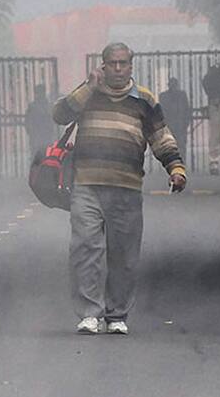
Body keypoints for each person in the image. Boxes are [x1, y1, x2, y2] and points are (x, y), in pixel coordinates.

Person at [53, 42, 186, 335]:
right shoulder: (88, 93)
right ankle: (89, 313)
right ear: (102, 65)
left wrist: (175, 168)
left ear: (130, 66)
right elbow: (59, 114)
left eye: (122, 63)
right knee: (85, 249)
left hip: (126, 187)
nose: (116, 69)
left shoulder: (145, 100)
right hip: (87, 185)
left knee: (123, 254)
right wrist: (88, 86)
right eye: (111, 63)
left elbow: (161, 137)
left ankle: (116, 314)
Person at [159, 77, 191, 163]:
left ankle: (180, 161)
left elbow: (187, 110)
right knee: (170, 145)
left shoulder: (181, 95)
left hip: (179, 125)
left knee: (180, 145)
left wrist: (186, 123)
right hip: (170, 124)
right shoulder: (163, 96)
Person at [25, 84, 56, 155]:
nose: (39, 95)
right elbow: (28, 123)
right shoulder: (48, 106)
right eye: (38, 92)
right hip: (41, 137)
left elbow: (27, 123)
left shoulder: (34, 107)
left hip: (42, 137)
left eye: (40, 92)